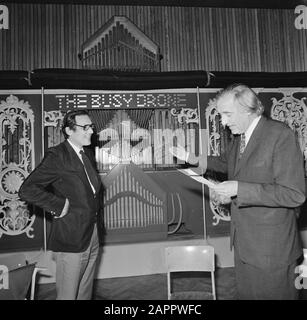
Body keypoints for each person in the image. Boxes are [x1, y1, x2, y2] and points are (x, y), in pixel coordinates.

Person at [170, 84, 306, 299]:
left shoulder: (280, 135)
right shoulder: (239, 138)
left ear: (247, 109)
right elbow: (225, 163)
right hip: (245, 242)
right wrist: (191, 157)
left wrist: (238, 189)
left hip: (272, 249)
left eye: (227, 114)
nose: (223, 122)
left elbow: (294, 193)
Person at [19, 109, 103, 300]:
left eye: (91, 126)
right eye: (85, 127)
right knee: (68, 295)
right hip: (72, 237)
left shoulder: (87, 154)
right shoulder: (57, 156)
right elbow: (27, 189)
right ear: (68, 131)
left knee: (84, 293)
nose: (91, 131)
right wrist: (58, 205)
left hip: (93, 233)